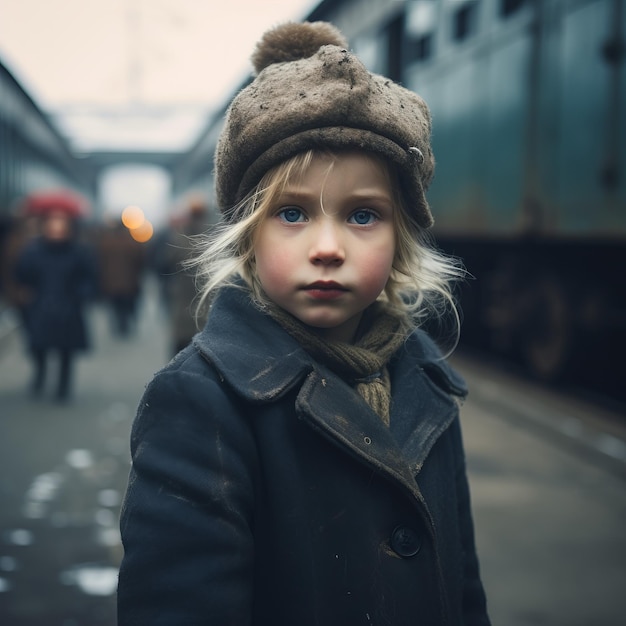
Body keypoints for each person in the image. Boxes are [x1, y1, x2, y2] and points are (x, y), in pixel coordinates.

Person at [117, 21, 490, 626]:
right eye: (291, 213)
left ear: (402, 239)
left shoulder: (428, 385)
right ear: (247, 235)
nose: (327, 247)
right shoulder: (199, 401)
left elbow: (464, 585)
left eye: (363, 215)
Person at [14, 209, 96, 401]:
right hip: (41, 305)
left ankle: (63, 388)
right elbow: (22, 274)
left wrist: (81, 295)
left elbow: (89, 277)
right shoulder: (33, 251)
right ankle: (40, 376)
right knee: (38, 346)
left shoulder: (78, 251)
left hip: (68, 306)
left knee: (66, 350)